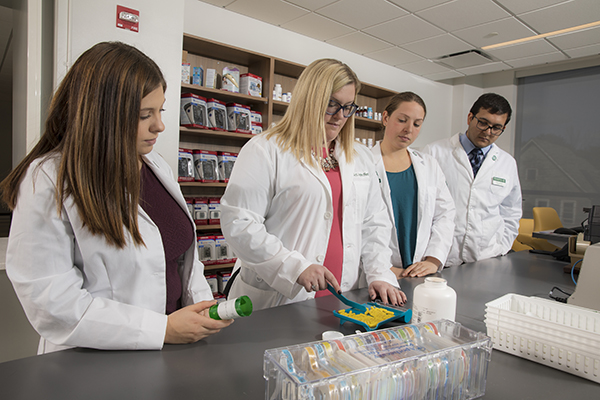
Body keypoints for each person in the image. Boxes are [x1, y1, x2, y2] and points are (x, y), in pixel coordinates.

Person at [1, 42, 233, 353]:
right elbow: (50, 301)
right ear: (103, 115)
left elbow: (181, 261)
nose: (159, 126)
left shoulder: (157, 166)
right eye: (144, 115)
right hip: (96, 358)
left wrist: (201, 307)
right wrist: (160, 329)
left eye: (160, 111)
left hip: (173, 346)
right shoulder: (49, 179)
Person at [220, 58, 406, 311]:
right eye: (332, 104)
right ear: (309, 100)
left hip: (344, 295)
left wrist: (380, 273)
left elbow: (374, 223)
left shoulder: (360, 156)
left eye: (348, 107)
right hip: (282, 296)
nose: (340, 116)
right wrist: (294, 267)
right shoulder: (265, 149)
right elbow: (240, 224)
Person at [422, 93, 522, 266]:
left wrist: (502, 246)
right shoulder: (434, 152)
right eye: (483, 123)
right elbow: (421, 206)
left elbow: (511, 211)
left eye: (496, 128)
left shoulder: (507, 163)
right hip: (441, 256)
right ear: (470, 118)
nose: (488, 132)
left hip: (487, 257)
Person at [372, 92, 455, 278]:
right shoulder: (363, 164)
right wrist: (383, 268)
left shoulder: (429, 165)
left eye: (417, 124)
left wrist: (433, 260)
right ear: (385, 118)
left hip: (418, 274)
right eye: (402, 120)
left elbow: (445, 214)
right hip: (374, 274)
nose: (409, 129)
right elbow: (355, 225)